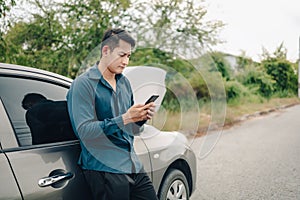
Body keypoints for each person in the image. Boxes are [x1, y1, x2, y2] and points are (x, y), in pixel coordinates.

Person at [66, 28, 158, 200]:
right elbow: (84, 131)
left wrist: (140, 119)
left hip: (132, 164)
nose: (126, 62)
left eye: (129, 56)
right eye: (122, 55)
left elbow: (130, 130)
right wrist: (125, 118)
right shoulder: (83, 85)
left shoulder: (124, 83)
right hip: (104, 169)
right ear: (106, 50)